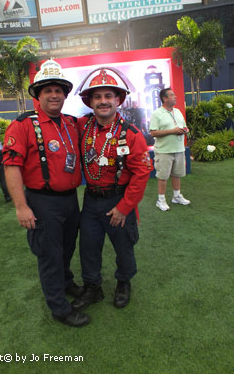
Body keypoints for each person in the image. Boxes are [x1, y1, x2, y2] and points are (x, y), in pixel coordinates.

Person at [2, 59, 90, 328]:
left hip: (70, 200)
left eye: (59, 90)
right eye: (47, 90)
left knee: (66, 248)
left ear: (65, 95)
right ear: (37, 95)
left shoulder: (71, 123)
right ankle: (59, 308)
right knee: (49, 255)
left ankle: (65, 283)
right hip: (41, 202)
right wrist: (21, 206)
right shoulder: (23, 125)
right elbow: (11, 166)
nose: (54, 95)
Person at [72, 67, 153, 312]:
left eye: (109, 96)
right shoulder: (81, 126)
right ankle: (93, 287)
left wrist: (124, 208)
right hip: (91, 201)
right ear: (90, 101)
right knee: (88, 246)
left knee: (124, 246)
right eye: (97, 97)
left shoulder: (132, 134)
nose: (103, 101)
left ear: (118, 100)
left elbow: (141, 174)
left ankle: (123, 282)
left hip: (119, 200)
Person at [149, 87, 190, 211]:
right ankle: (160, 200)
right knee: (163, 176)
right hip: (164, 151)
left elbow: (184, 126)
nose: (175, 97)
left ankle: (176, 196)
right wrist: (173, 131)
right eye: (172, 95)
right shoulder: (157, 113)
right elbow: (153, 132)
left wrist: (185, 130)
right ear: (164, 98)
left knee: (176, 174)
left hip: (179, 149)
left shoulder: (177, 111)